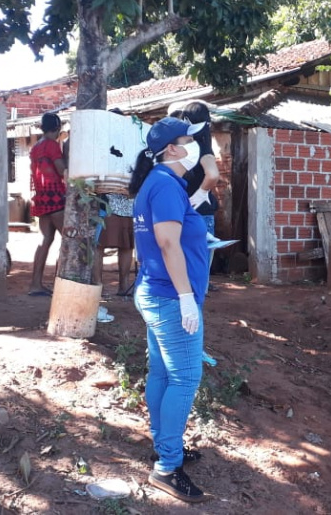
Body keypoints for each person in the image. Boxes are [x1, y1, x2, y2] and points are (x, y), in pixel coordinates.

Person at [128, 116, 210, 503]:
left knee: (161, 371)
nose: (197, 145)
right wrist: (185, 296)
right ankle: (166, 468)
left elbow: (168, 237)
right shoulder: (164, 185)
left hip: (156, 291)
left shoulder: (162, 184)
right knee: (185, 377)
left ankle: (166, 448)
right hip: (169, 297)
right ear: (173, 149)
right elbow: (166, 242)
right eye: (189, 140)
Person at [93, 109, 136, 297]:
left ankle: (98, 287)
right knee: (124, 246)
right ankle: (122, 286)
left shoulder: (99, 143)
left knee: (100, 246)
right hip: (117, 200)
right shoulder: (131, 143)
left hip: (110, 200)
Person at [168, 101, 220, 236]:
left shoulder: (200, 148)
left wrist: (200, 194)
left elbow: (213, 174)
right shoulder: (197, 147)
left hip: (193, 215)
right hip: (194, 215)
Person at [28, 112, 66, 296]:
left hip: (41, 197)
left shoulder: (36, 147)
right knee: (69, 241)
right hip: (56, 197)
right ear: (58, 128)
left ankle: (35, 284)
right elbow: (61, 170)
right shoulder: (52, 145)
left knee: (44, 240)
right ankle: (63, 284)